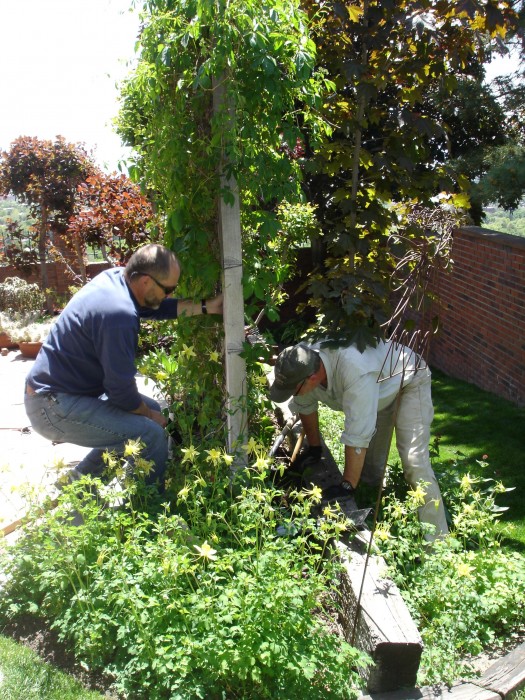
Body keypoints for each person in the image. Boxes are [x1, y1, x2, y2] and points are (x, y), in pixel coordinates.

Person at [24, 243, 223, 492]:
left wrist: (208, 306)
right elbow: (120, 391)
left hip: (60, 395)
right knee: (150, 434)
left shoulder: (117, 279)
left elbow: (155, 307)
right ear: (146, 281)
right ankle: (149, 512)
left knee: (146, 411)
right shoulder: (118, 316)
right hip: (52, 407)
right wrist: (150, 418)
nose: (170, 295)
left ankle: (81, 484)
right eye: (169, 289)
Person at [269, 340, 448, 541]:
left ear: (312, 378)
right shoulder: (301, 361)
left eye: (293, 389)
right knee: (370, 470)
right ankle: (378, 517)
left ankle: (438, 542)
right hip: (378, 384)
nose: (292, 394)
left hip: (408, 378)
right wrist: (315, 449)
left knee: (415, 464)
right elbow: (305, 406)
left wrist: (346, 486)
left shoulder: (354, 370)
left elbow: (357, 435)